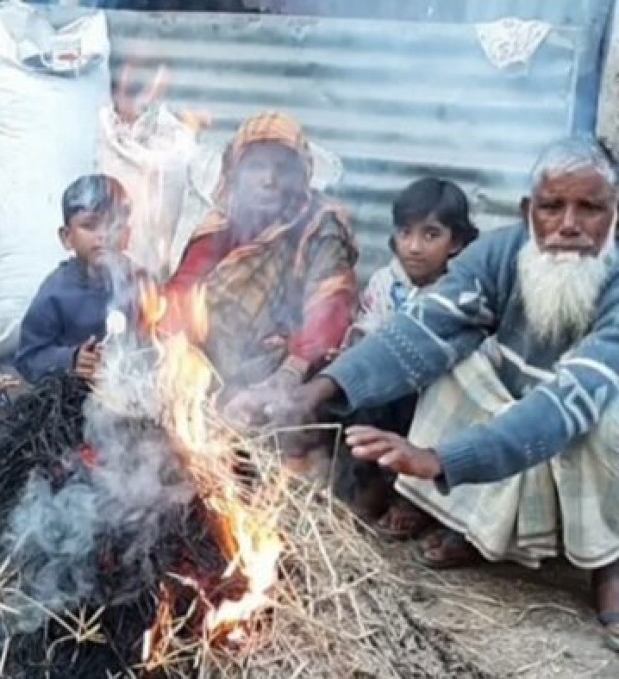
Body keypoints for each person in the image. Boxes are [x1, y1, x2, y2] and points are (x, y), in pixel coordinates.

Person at [240, 137, 619, 649]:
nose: (569, 225)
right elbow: (422, 329)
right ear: (529, 211)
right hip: (518, 412)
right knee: (445, 362)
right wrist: (314, 393)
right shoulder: (501, 253)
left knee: (604, 422)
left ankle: (608, 566)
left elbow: (564, 408)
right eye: (553, 207)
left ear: (614, 213)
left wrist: (440, 459)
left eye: (590, 208)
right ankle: (475, 526)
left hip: (577, 421)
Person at [168, 110, 357, 476]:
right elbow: (180, 294)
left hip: (290, 365)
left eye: (282, 168)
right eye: (257, 167)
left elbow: (330, 304)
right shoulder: (221, 224)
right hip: (216, 366)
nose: (270, 180)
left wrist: (287, 375)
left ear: (302, 173)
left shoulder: (321, 224)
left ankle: (289, 474)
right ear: (235, 172)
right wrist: (170, 361)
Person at [339, 177, 479, 530]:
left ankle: (413, 500)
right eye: (405, 233)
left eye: (431, 235)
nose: (414, 247)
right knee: (361, 393)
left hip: (435, 394)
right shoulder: (386, 282)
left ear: (456, 241)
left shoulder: (461, 291)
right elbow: (369, 333)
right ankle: (369, 488)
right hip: (392, 390)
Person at [14, 174, 133, 384]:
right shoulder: (56, 293)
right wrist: (71, 359)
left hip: (133, 392)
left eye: (114, 224)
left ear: (127, 236)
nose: (103, 235)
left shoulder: (142, 284)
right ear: (67, 237)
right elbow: (28, 358)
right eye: (90, 225)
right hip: (73, 398)